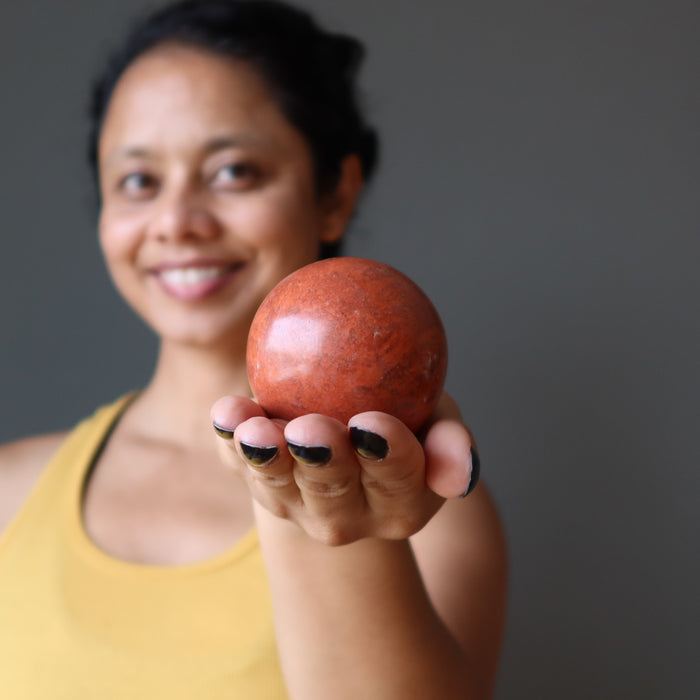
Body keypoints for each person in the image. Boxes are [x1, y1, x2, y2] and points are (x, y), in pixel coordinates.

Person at [0, 1, 507, 698]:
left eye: (233, 171)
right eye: (139, 181)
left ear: (335, 193)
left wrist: (330, 530)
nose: (177, 222)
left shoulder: (421, 509)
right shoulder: (11, 493)